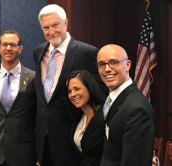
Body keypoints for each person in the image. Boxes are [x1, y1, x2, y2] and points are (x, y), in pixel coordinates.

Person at [33, 4, 106, 166]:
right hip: (43, 143)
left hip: (72, 142)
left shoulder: (88, 52)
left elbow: (100, 96)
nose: (51, 31)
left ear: (66, 23)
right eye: (46, 27)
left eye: (55, 25)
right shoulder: (38, 52)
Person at [0, 30, 36, 166]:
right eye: (4, 44)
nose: (8, 48)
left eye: (13, 45)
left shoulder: (33, 77)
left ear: (20, 49)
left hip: (23, 153)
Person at [96, 44, 154, 166]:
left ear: (128, 65)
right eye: (102, 64)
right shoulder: (113, 99)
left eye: (113, 62)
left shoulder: (137, 109)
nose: (107, 69)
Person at [66, 70, 105, 166]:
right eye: (69, 91)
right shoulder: (79, 118)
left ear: (89, 88)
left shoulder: (105, 115)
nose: (72, 94)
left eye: (77, 89)